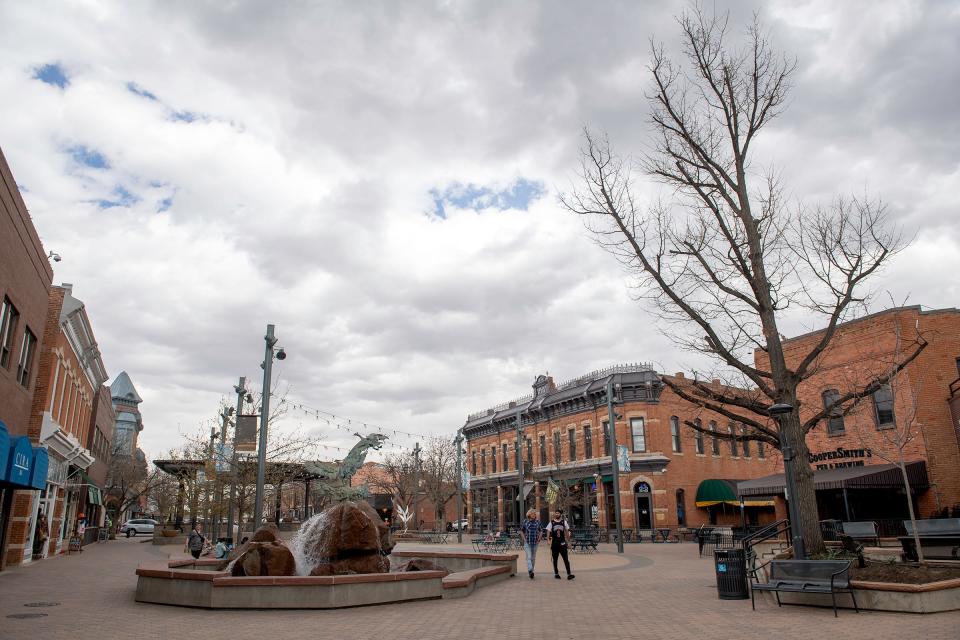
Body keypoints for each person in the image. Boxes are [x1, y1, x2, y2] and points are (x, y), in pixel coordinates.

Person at [546, 510, 575, 580]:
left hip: (562, 543)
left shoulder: (564, 522)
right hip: (554, 543)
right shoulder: (551, 522)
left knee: (566, 559)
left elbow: (567, 532)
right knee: (555, 559)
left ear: (560, 514)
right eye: (555, 513)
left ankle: (569, 574)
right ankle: (556, 573)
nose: (556, 514)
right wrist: (548, 540)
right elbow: (548, 531)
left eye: (558, 513)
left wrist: (569, 542)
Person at [519, 509, 544, 579]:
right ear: (529, 514)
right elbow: (521, 530)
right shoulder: (525, 522)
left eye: (535, 514)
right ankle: (530, 570)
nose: (534, 515)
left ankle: (531, 572)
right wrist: (524, 539)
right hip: (527, 543)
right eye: (533, 513)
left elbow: (541, 530)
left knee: (533, 558)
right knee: (529, 557)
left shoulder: (538, 522)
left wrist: (539, 538)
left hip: (535, 543)